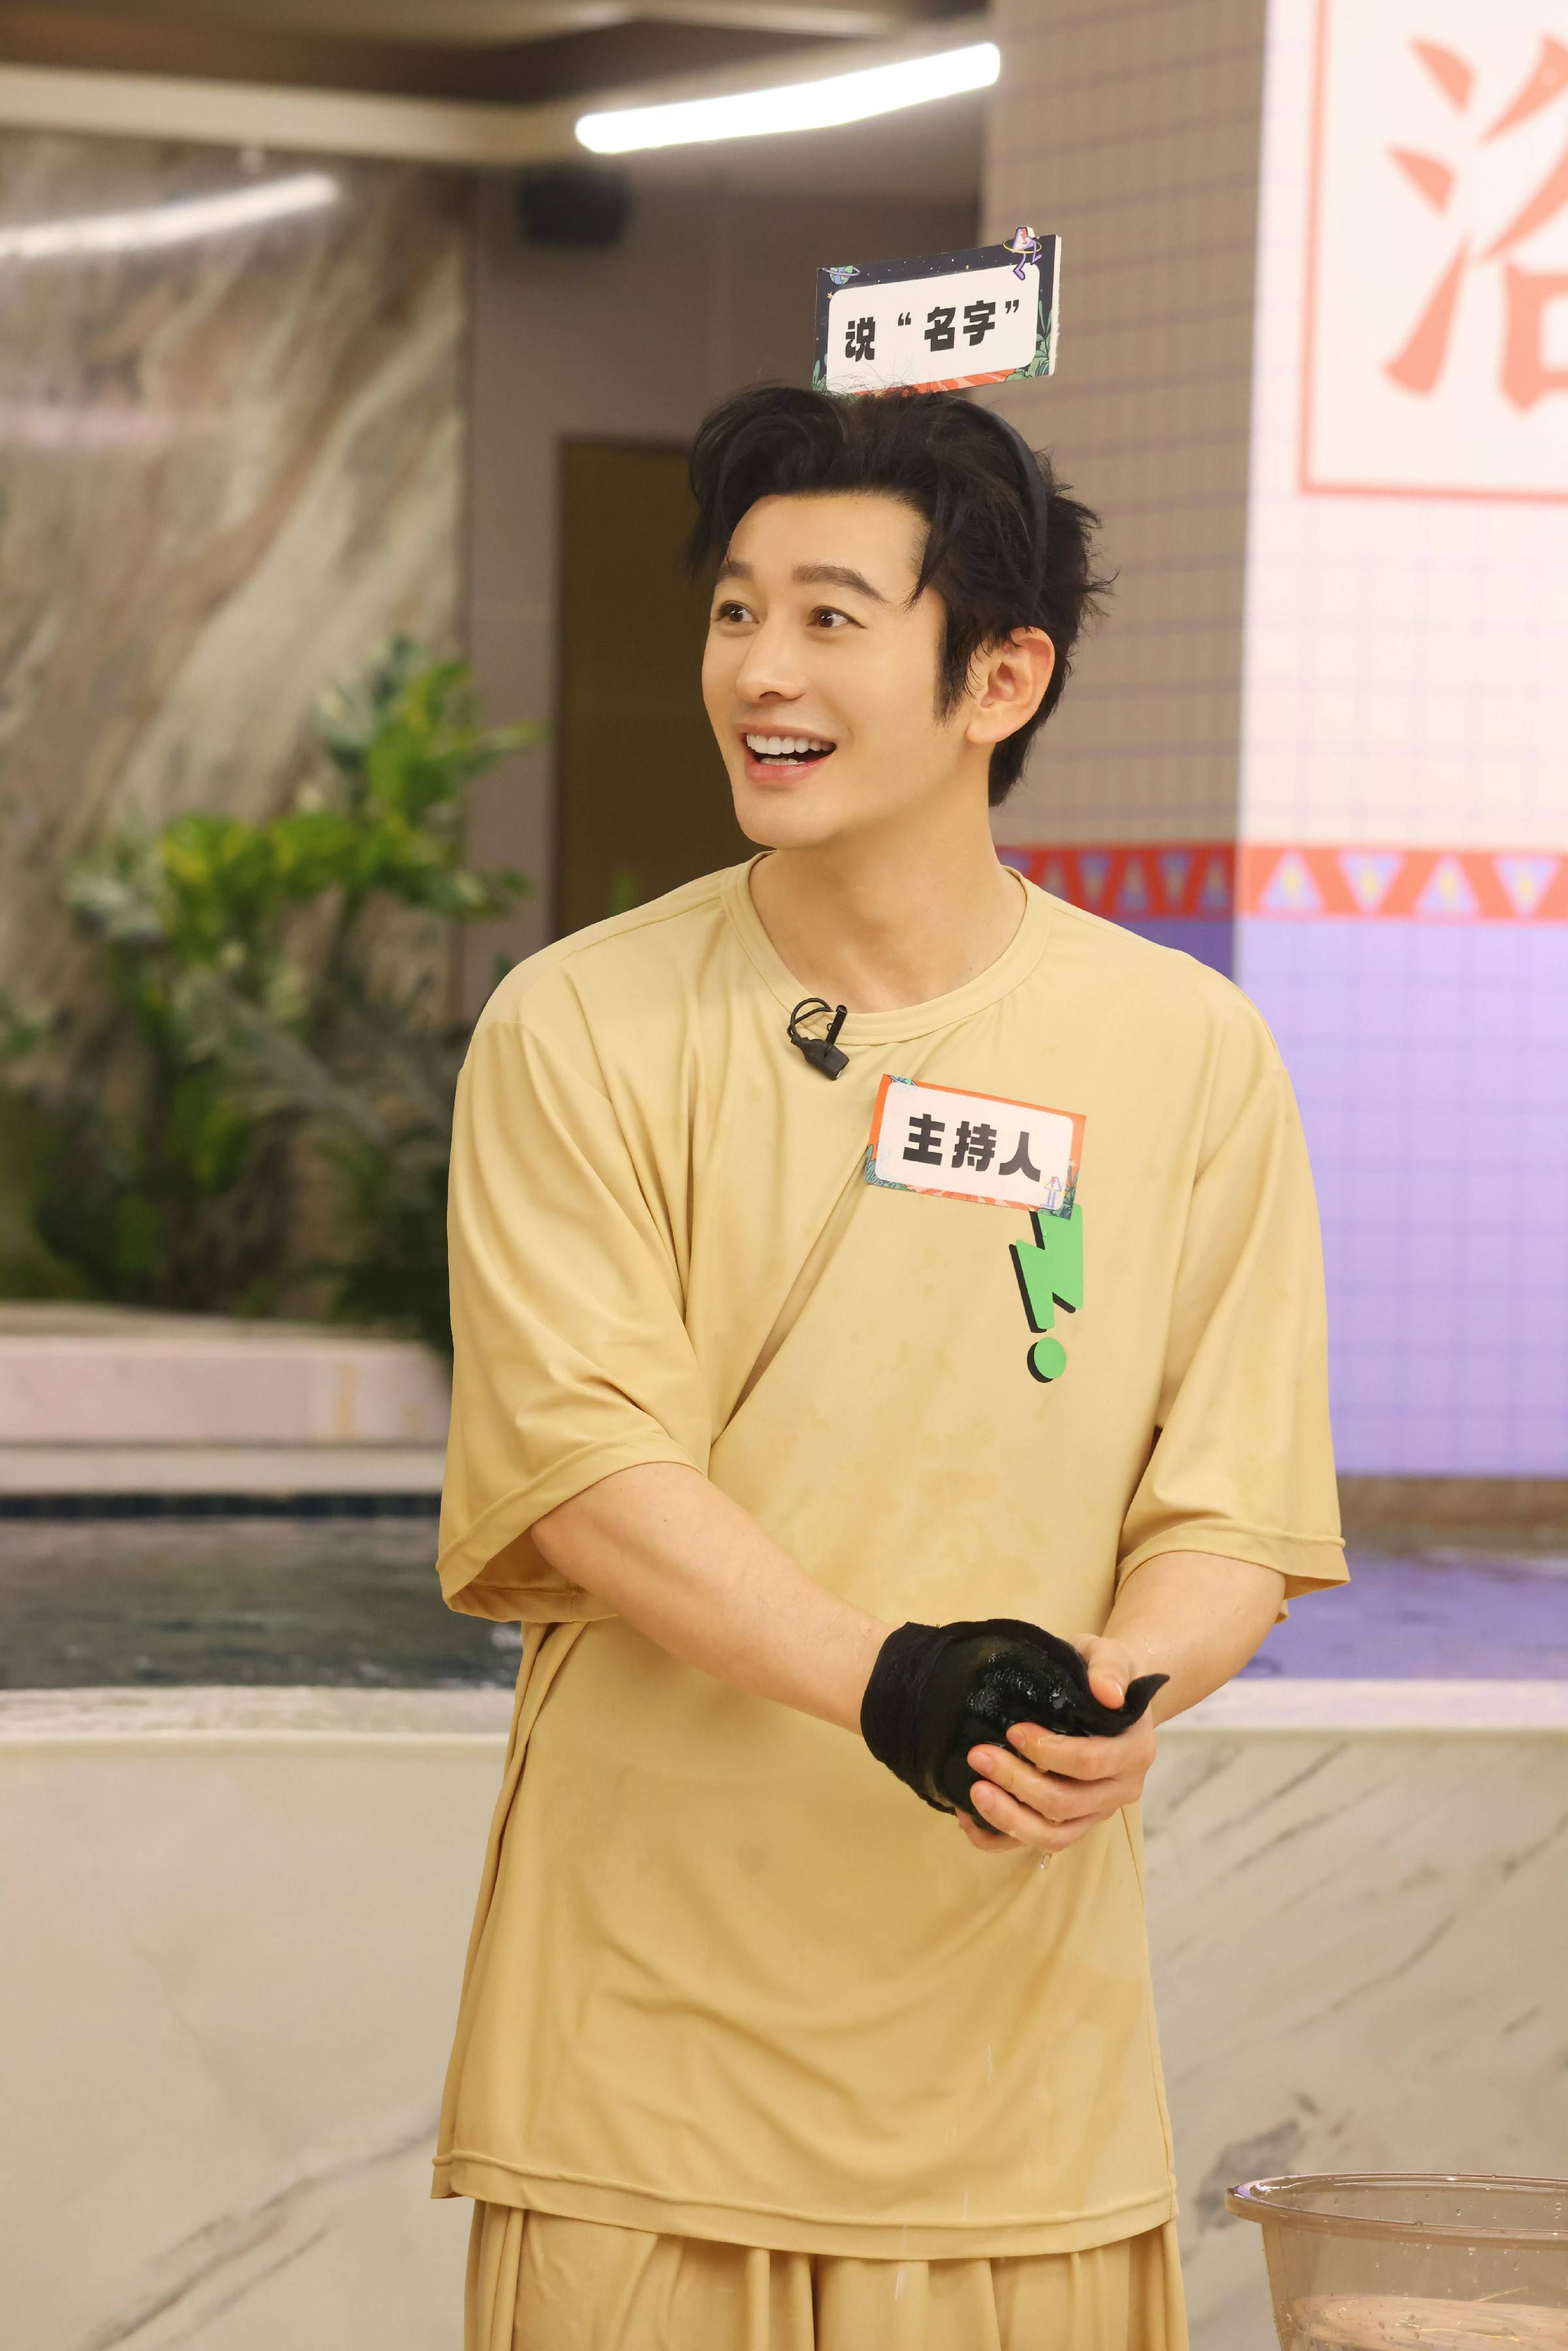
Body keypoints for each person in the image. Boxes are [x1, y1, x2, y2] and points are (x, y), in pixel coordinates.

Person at [433, 384, 1346, 2351]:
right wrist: (898, 1682)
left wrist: (1116, 1689)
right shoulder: (575, 1025)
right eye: (734, 611)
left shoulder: (1188, 1050)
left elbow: (1235, 1506)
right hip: (641, 2057)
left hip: (1016, 2065)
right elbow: (587, 1469)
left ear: (998, 677)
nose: (758, 669)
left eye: (830, 617)